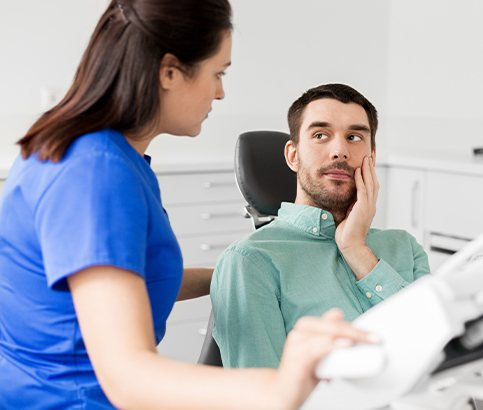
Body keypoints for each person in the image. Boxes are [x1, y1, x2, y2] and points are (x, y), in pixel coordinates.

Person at [0, 3, 376, 410]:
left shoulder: (102, 155)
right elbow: (128, 378)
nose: (220, 91)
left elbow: (125, 282)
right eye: (219, 72)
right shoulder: (95, 174)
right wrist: (281, 385)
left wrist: (244, 269)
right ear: (169, 72)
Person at [211, 83, 431, 369]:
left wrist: (356, 249)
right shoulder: (251, 261)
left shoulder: (405, 247)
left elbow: (436, 349)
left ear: (372, 158)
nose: (339, 151)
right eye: (320, 135)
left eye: (354, 137)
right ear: (293, 155)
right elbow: (260, 394)